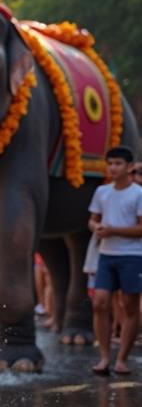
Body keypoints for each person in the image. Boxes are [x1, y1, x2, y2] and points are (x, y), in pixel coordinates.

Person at [87, 146, 142, 376]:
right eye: (110, 163)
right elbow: (92, 219)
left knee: (129, 305)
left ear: (130, 167)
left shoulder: (138, 194)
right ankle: (104, 357)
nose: (113, 168)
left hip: (132, 255)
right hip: (107, 254)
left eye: (118, 164)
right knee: (100, 302)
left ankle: (122, 359)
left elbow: (141, 228)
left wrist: (114, 231)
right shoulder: (102, 192)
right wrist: (96, 228)